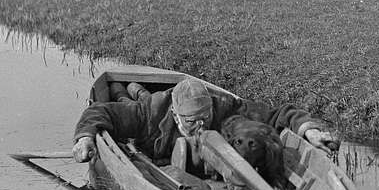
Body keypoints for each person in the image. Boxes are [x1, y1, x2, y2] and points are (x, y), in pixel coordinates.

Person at [71, 77, 339, 164]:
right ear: (176, 115)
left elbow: (277, 115)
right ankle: (123, 86)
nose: (200, 126)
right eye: (191, 121)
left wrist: (309, 130)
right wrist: (85, 137)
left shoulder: (223, 107)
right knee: (122, 101)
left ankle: (131, 87)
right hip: (146, 107)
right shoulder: (151, 112)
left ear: (211, 108)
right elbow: (99, 113)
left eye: (205, 118)